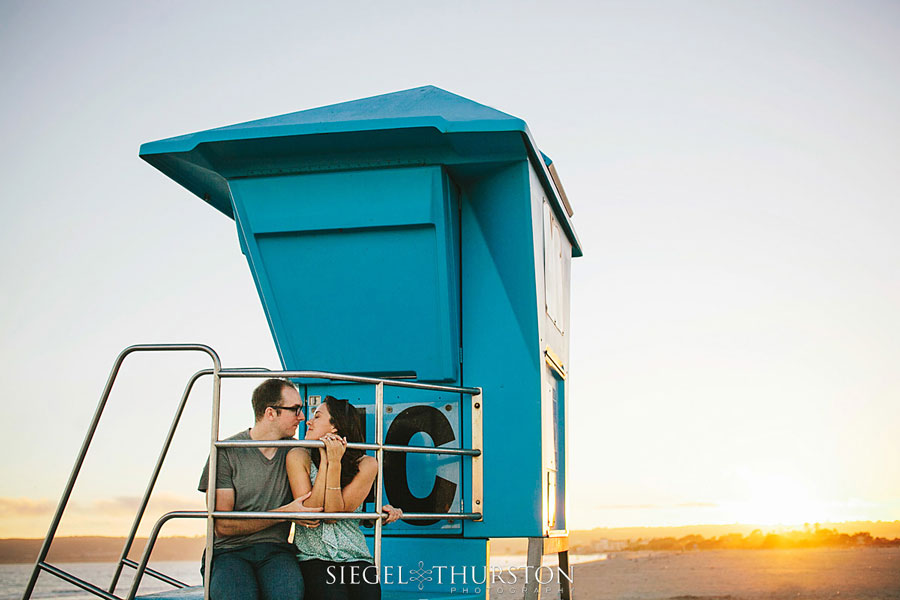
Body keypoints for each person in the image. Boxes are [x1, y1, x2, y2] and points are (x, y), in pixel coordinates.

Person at [198, 378, 321, 600]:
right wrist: (285, 514)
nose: (302, 417)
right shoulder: (226, 452)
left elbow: (331, 488)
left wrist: (382, 507)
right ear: (270, 413)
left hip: (276, 551)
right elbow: (223, 526)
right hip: (228, 552)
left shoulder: (298, 453)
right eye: (295, 410)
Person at [287, 395, 403, 600]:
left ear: (335, 427)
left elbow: (334, 513)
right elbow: (314, 514)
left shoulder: (367, 464)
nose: (308, 421)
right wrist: (327, 462)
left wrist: (336, 462)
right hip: (313, 555)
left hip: (355, 554)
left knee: (369, 595)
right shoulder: (298, 455)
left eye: (317, 416)